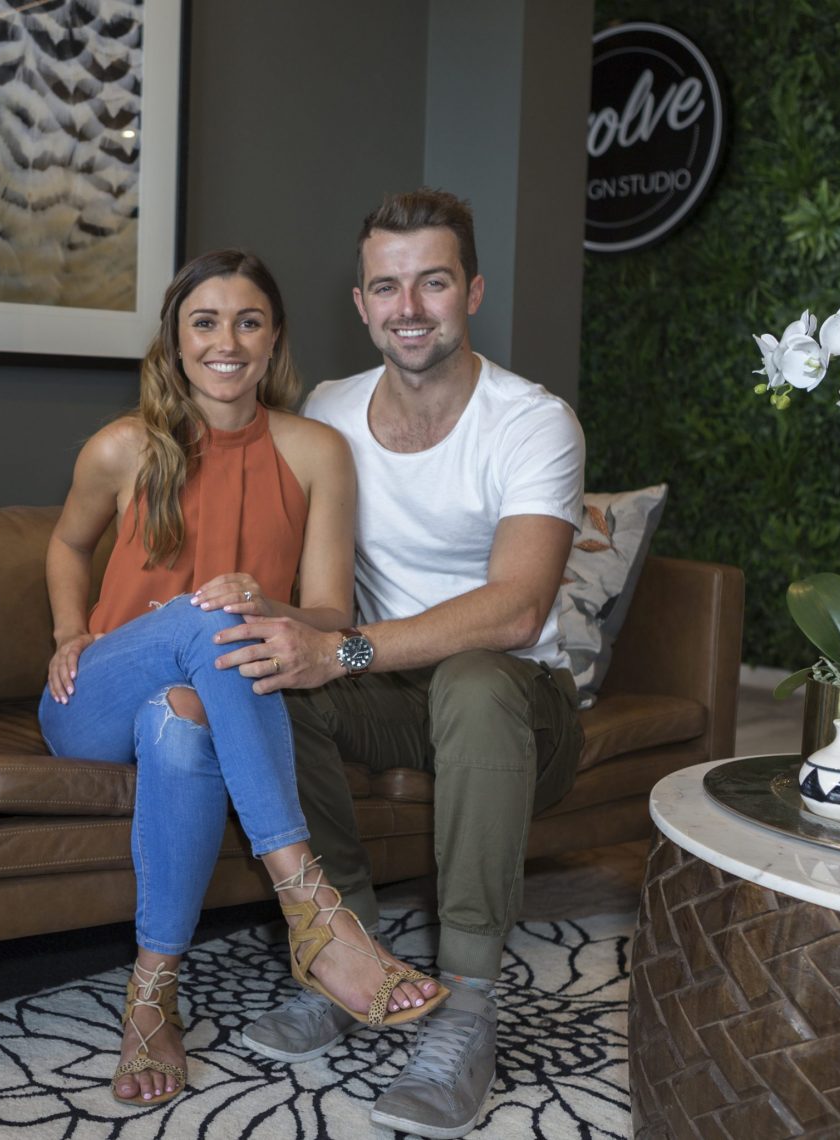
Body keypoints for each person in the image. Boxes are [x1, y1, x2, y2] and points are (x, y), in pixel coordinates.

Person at [37, 249, 447, 1110]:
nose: (227, 342)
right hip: (94, 699)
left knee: (186, 718)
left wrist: (264, 601)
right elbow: (68, 544)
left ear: (273, 339)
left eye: (248, 322)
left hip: (197, 701)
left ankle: (152, 996)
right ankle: (314, 910)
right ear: (175, 341)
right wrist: (71, 632)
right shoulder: (121, 447)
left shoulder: (317, 452)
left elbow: (330, 615)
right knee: (209, 616)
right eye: (205, 322)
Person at [214, 191, 586, 1138]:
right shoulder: (329, 412)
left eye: (433, 282)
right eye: (387, 287)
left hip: (521, 706)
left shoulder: (532, 422)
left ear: (473, 292)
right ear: (361, 302)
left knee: (473, 677)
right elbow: (305, 576)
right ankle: (347, 955)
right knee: (265, 679)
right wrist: (262, 615)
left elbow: (518, 608)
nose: (409, 307)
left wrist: (341, 650)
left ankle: (468, 1004)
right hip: (389, 693)